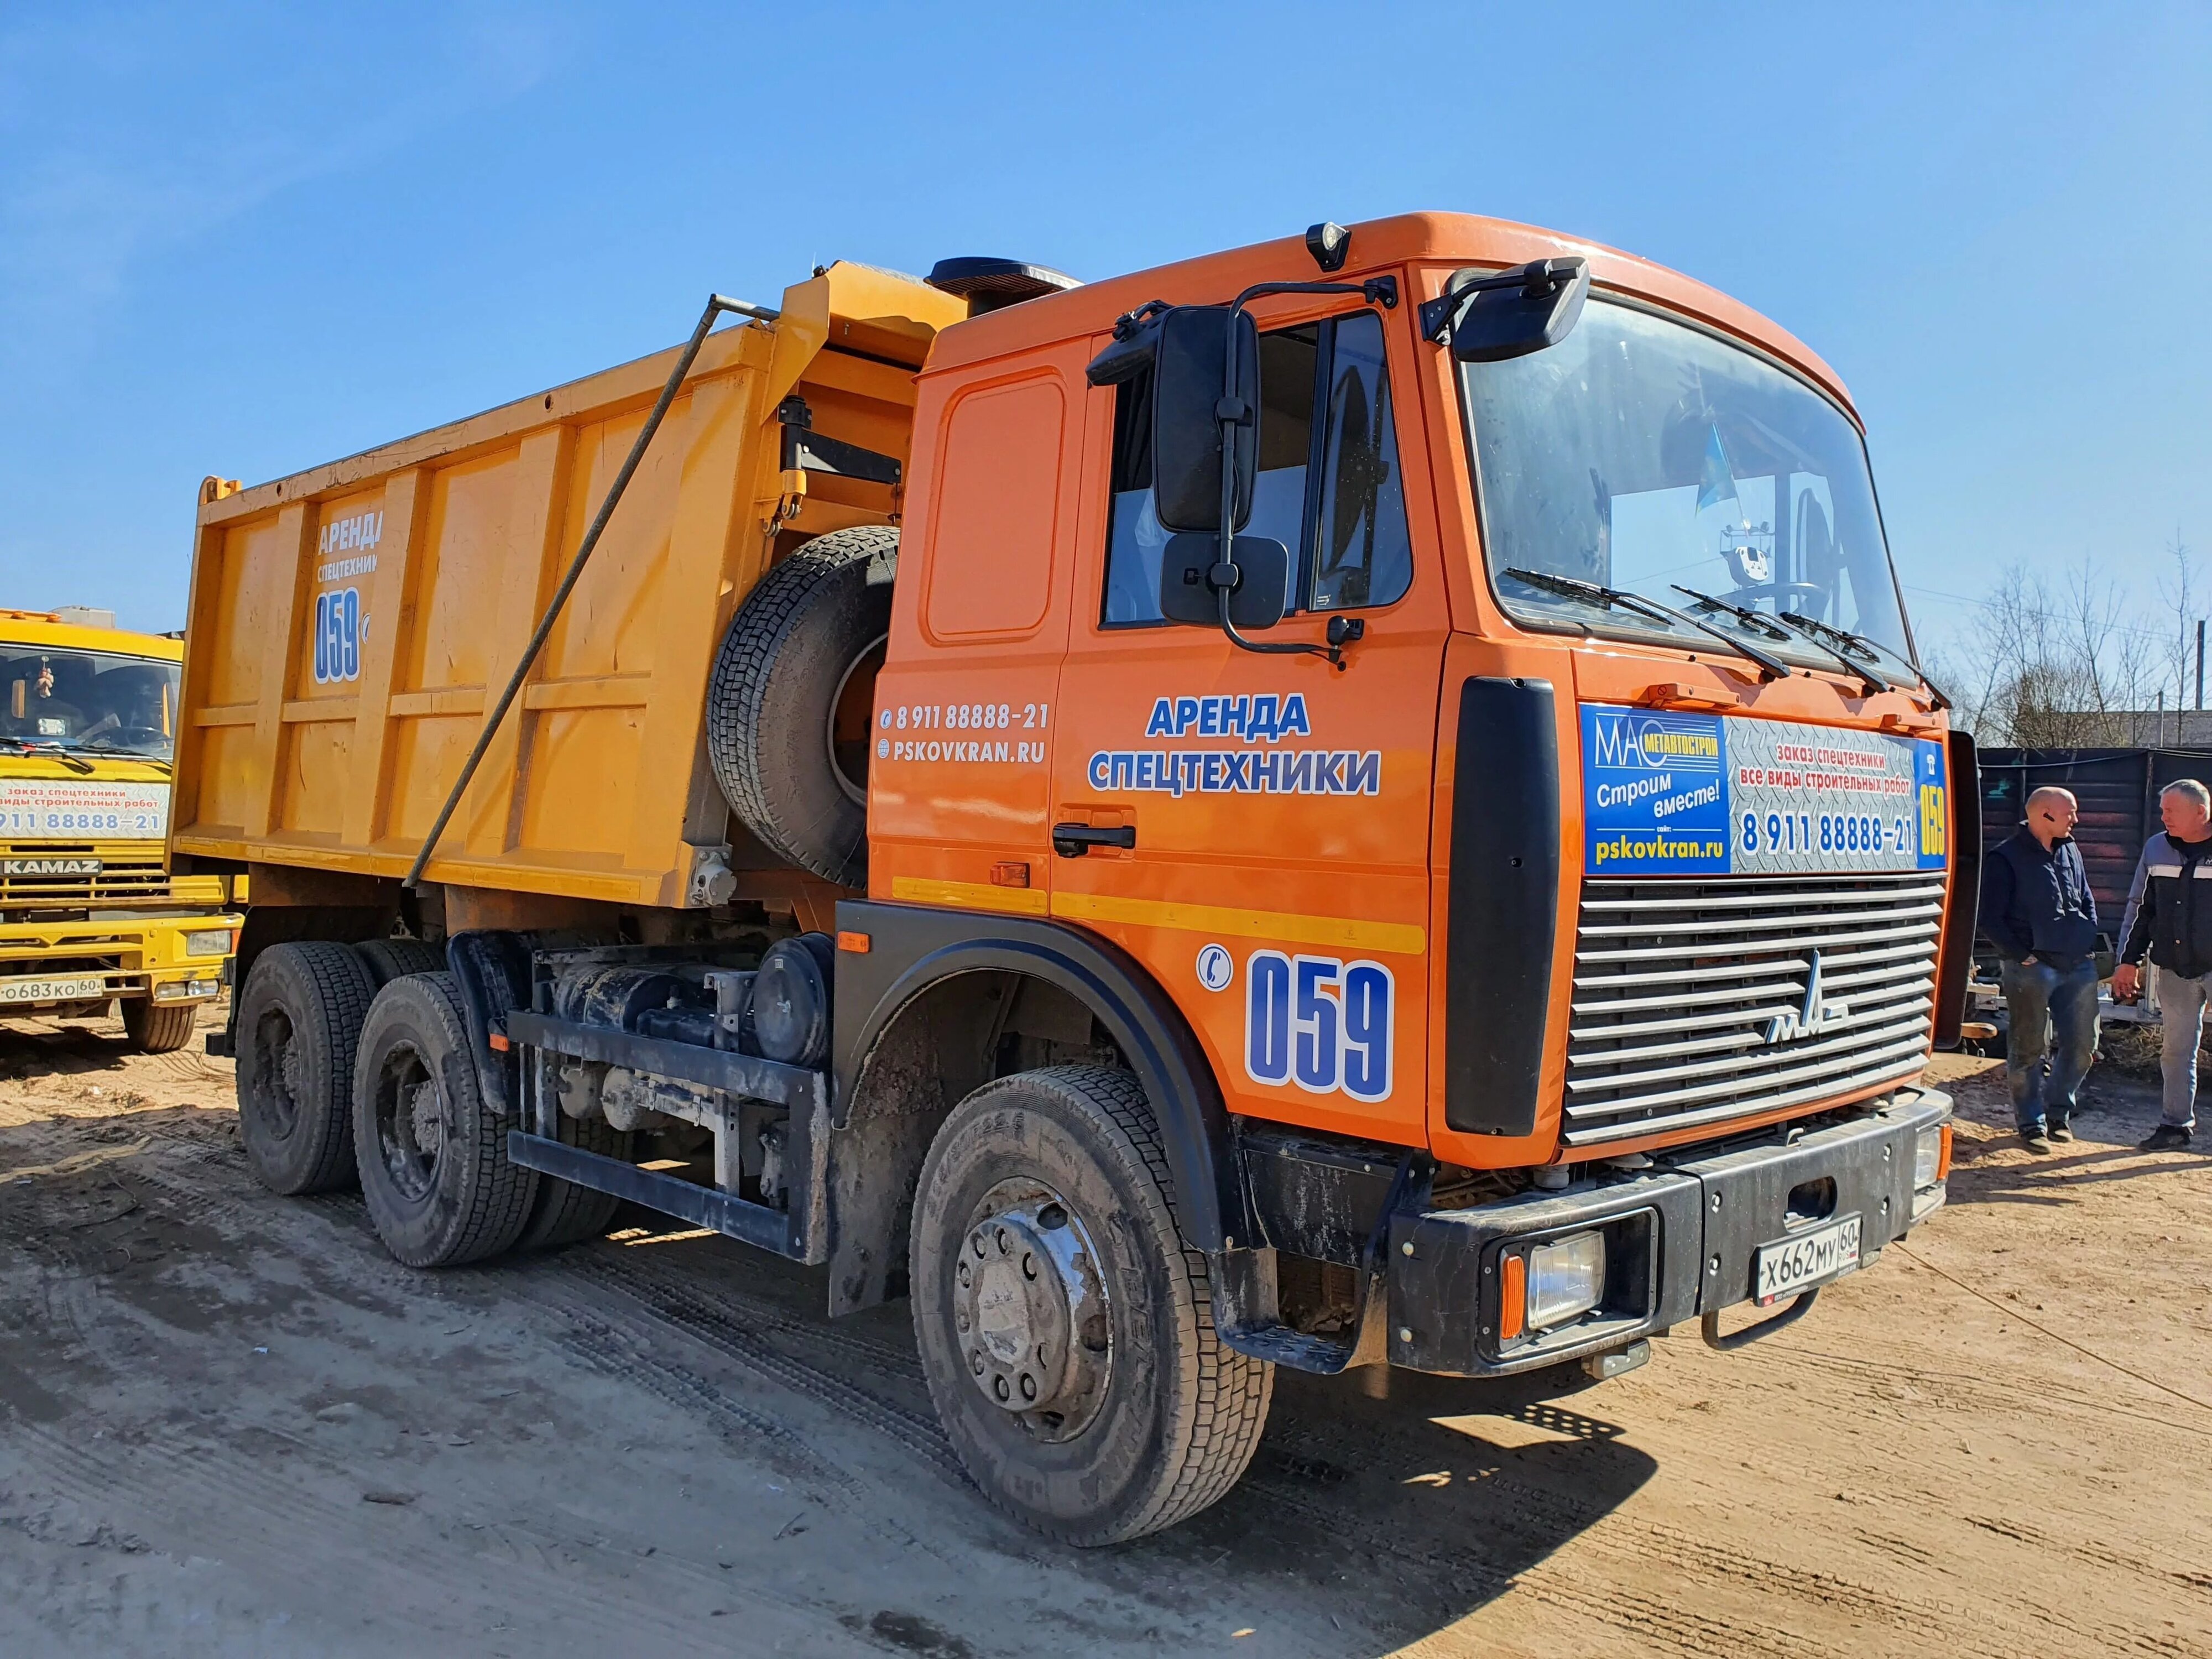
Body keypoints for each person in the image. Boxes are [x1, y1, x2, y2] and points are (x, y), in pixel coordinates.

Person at [1978, 785, 2100, 1152]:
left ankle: (2059, 1113)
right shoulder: (2005, 858)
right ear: (2044, 815)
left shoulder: (2070, 849)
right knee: (2029, 1048)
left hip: (2077, 965)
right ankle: (2031, 1123)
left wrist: (2087, 936)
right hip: (2031, 968)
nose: (2076, 820)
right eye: (2070, 813)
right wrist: (2021, 955)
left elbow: (2085, 897)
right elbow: (1989, 918)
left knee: (2084, 1046)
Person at [2113, 778, 2212, 1151]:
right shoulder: (2157, 848)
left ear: (2200, 813)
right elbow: (2141, 908)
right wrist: (2127, 961)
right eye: (2162, 810)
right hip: (2174, 971)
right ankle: (2175, 1126)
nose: (2163, 817)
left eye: (2171, 811)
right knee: (2175, 1052)